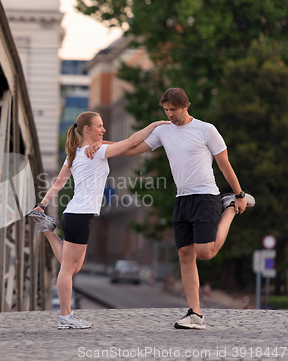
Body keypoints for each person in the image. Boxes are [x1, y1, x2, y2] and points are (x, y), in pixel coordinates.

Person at [89, 88, 254, 330]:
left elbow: (224, 163)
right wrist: (101, 144)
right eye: (166, 110)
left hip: (206, 196)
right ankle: (195, 314)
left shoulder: (206, 130)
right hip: (182, 199)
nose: (170, 115)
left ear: (185, 106)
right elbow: (133, 149)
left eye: (173, 110)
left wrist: (239, 195)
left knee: (205, 252)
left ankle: (228, 207)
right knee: (185, 255)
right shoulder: (164, 131)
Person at [27, 111, 169, 329]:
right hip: (79, 214)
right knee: (67, 268)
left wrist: (43, 204)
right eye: (99, 126)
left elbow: (58, 183)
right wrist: (157, 123)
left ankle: (46, 228)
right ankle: (65, 316)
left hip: (76, 214)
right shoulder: (98, 151)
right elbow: (131, 142)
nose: (103, 129)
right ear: (87, 129)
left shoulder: (74, 153)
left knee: (75, 265)